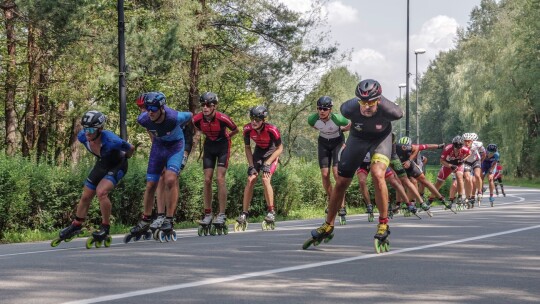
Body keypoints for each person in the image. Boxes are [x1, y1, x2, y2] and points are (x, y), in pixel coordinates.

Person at [307, 79, 402, 250]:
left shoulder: (391, 111)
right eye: (362, 102)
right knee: (342, 182)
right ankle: (328, 225)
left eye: (371, 103)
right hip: (357, 139)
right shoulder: (348, 108)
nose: (366, 106)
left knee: (377, 173)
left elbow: (398, 112)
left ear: (378, 100)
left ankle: (383, 224)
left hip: (381, 139)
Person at [51, 110, 134, 247]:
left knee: (101, 192)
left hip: (118, 164)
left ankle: (105, 227)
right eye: (85, 128)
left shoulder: (111, 140)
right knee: (86, 196)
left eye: (91, 129)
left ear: (100, 129)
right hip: (103, 163)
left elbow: (130, 148)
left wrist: (126, 157)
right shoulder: (82, 136)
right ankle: (77, 224)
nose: (87, 132)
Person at [126, 92, 192, 242]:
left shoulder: (175, 117)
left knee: (170, 179)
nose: (150, 112)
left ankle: (169, 218)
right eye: (147, 108)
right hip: (159, 146)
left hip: (176, 146)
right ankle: (145, 219)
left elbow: (190, 115)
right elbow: (150, 129)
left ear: (162, 108)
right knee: (151, 184)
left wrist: (183, 131)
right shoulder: (143, 119)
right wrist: (156, 138)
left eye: (153, 109)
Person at [193, 92, 238, 229]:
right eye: (203, 105)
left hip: (223, 145)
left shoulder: (223, 118)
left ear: (214, 106)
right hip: (209, 146)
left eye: (208, 105)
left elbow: (236, 130)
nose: (205, 107)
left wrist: (227, 137)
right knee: (207, 179)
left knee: (220, 179)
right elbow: (197, 129)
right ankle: (208, 214)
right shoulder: (197, 119)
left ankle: (222, 214)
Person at [236, 106, 283, 230]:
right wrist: (251, 165)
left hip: (271, 153)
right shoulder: (247, 129)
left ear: (263, 120)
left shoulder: (272, 129)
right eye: (252, 119)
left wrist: (267, 163)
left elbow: (280, 149)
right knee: (251, 179)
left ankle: (271, 212)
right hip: (258, 153)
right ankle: (244, 213)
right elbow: (247, 148)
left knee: (265, 179)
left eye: (257, 119)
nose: (254, 122)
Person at [307, 96, 350, 220]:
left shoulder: (337, 118)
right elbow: (315, 126)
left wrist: (342, 130)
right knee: (325, 175)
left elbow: (350, 125)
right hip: (323, 143)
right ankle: (333, 201)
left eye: (325, 109)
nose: (322, 111)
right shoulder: (312, 119)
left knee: (336, 173)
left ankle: (342, 206)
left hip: (337, 142)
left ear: (330, 109)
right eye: (319, 108)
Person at [395, 136, 447, 211]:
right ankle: (399, 203)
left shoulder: (414, 147)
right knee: (400, 183)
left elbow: (427, 146)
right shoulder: (396, 148)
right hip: (402, 165)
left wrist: (439, 146)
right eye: (401, 147)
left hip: (413, 165)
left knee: (417, 181)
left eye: (406, 147)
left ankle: (414, 201)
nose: (404, 149)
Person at [428, 135, 471, 209]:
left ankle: (460, 197)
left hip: (458, 164)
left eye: (459, 148)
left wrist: (464, 159)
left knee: (459, 176)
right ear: (453, 145)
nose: (457, 150)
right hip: (447, 164)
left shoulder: (464, 149)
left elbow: (469, 153)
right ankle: (430, 199)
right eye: (456, 148)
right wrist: (450, 166)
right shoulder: (448, 148)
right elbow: (441, 161)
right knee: (439, 182)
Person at [462, 132, 485, 208]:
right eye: (465, 141)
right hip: (466, 162)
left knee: (477, 175)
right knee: (468, 179)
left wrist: (480, 161)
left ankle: (479, 191)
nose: (467, 142)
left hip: (476, 160)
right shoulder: (461, 146)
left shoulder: (478, 144)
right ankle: (468, 196)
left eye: (469, 141)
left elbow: (484, 154)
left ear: (472, 141)